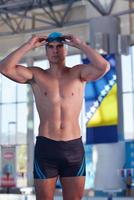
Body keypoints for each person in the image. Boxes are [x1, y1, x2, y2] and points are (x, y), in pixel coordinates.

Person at [0, 32, 110, 200]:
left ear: (66, 49)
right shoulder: (36, 75)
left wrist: (80, 44)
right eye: (50, 47)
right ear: (45, 51)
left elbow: (104, 67)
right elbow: (5, 68)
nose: (55, 50)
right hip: (46, 149)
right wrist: (29, 45)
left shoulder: (79, 73)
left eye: (59, 46)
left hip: (73, 148)